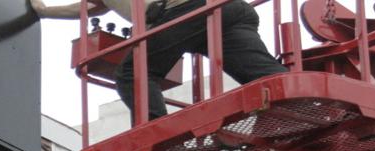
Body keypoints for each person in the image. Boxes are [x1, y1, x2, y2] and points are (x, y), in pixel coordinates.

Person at [30, 0, 288, 122]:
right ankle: (299, 101)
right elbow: (89, 8)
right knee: (263, 75)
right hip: (228, 9)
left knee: (133, 73)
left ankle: (154, 133)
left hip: (184, 12)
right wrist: (44, 12)